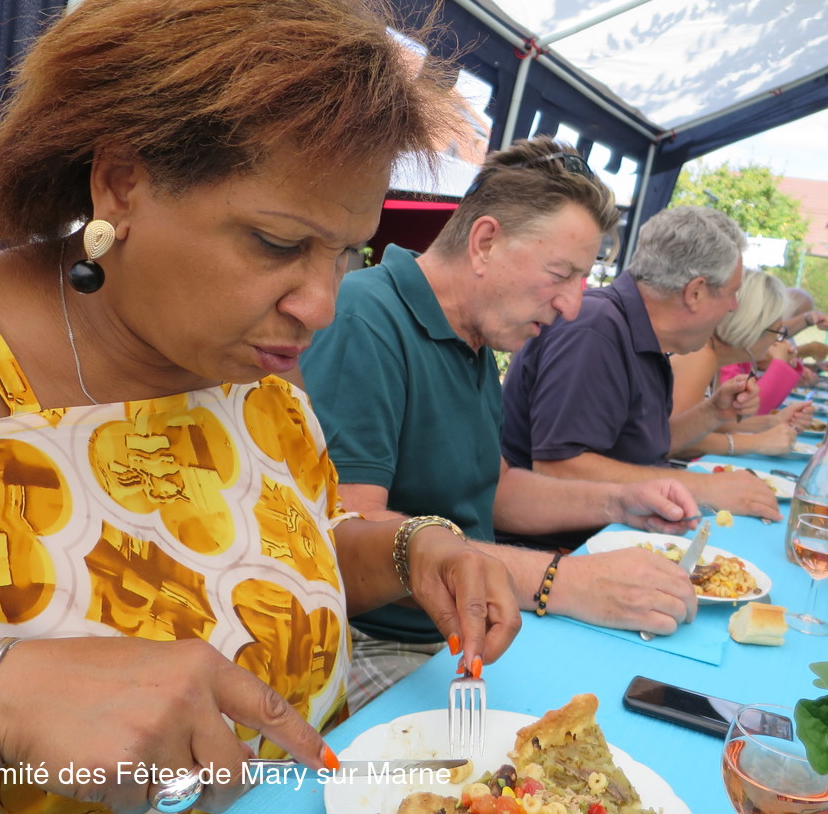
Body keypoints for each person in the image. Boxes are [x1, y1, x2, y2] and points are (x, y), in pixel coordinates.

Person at [0, 0, 521, 814]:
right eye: (276, 242)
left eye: (349, 252)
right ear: (121, 183)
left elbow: (274, 552)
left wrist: (412, 548)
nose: (322, 305)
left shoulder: (257, 372)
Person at [299, 137, 704, 708]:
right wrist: (563, 580)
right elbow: (351, 527)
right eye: (561, 273)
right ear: (484, 242)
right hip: (374, 642)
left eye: (582, 280)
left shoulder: (475, 337)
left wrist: (619, 502)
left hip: (471, 630)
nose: (571, 305)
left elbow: (497, 487)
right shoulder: (365, 318)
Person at [501, 206, 781, 520]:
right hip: (562, 542)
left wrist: (713, 413)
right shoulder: (595, 331)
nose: (733, 306)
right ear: (695, 292)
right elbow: (559, 468)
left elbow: (643, 449)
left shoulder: (637, 334)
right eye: (731, 293)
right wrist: (704, 487)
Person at [669, 269, 814, 458]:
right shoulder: (700, 356)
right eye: (778, 332)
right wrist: (756, 443)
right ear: (752, 328)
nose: (778, 341)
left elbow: (703, 424)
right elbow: (674, 441)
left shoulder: (713, 356)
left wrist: (772, 422)